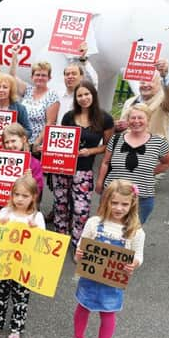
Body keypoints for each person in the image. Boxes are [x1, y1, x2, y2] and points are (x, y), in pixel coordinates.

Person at [69, 179, 144, 338]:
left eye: (124, 204)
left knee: (107, 314)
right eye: (114, 203)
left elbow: (139, 256)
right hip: (89, 277)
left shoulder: (135, 231)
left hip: (113, 282)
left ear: (132, 204)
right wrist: (80, 255)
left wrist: (133, 263)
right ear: (106, 201)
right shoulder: (94, 223)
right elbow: (82, 248)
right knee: (83, 307)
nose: (119, 208)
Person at [0, 175, 45, 338]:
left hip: (23, 268)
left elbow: (42, 245)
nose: (19, 199)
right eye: (16, 194)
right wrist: (0, 225)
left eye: (25, 196)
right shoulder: (5, 212)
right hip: (3, 265)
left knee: (20, 299)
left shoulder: (36, 217)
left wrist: (36, 232)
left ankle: (16, 329)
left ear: (33, 197)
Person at [54, 81, 113, 249]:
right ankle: (60, 239)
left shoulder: (105, 119)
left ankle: (78, 242)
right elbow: (60, 140)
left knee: (81, 210)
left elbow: (108, 146)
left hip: (84, 171)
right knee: (61, 205)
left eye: (87, 94)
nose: (83, 98)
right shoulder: (69, 116)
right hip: (63, 168)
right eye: (79, 95)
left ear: (93, 95)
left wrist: (91, 151)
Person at [95, 104, 169, 224]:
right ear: (128, 120)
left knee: (131, 232)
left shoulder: (159, 142)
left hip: (142, 198)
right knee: (106, 229)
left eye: (140, 118)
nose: (136, 121)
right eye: (132, 118)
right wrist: (100, 182)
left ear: (148, 120)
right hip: (112, 196)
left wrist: (148, 172)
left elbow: (168, 163)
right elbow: (105, 162)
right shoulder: (116, 139)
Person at [0, 123, 44, 219]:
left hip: (22, 213)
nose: (10, 145)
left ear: (23, 139)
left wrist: (30, 180)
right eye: (7, 142)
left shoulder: (34, 164)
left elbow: (38, 190)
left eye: (13, 141)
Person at [117, 58, 169, 143]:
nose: (146, 85)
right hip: (128, 148)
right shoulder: (129, 102)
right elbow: (123, 128)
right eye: (142, 82)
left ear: (160, 84)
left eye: (151, 82)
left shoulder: (164, 101)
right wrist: (118, 127)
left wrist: (165, 75)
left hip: (152, 150)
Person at [10, 48, 59, 147]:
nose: (40, 78)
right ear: (32, 77)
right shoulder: (27, 89)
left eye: (44, 75)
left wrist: (37, 142)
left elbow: (50, 123)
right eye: (37, 75)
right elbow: (12, 76)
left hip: (37, 144)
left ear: (49, 78)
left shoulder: (52, 96)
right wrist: (14, 58)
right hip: (20, 142)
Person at [56, 43, 99, 124]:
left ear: (81, 76)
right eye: (67, 74)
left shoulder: (85, 96)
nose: (70, 76)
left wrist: (83, 59)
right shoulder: (58, 95)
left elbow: (94, 80)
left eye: (74, 74)